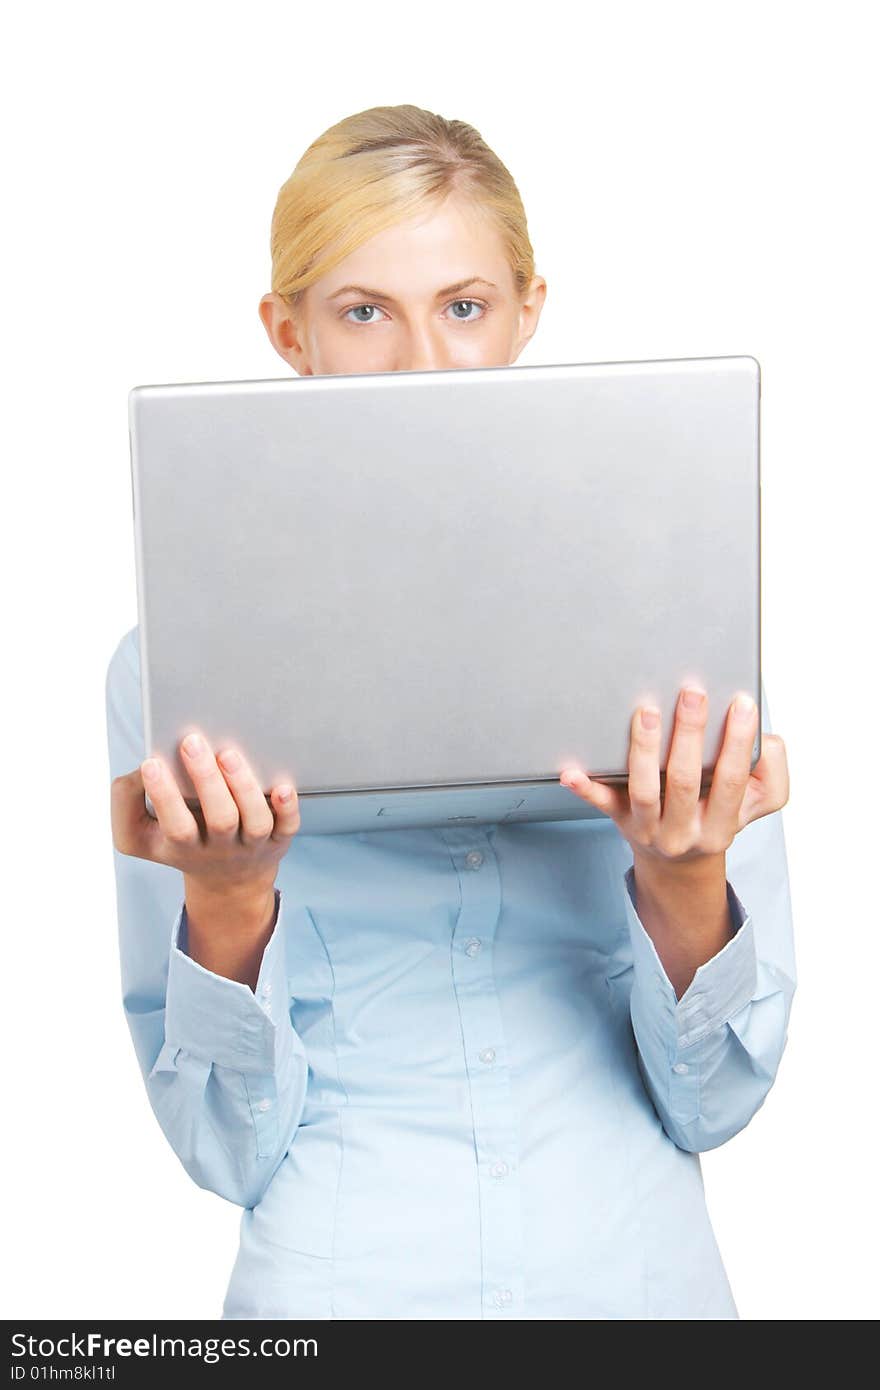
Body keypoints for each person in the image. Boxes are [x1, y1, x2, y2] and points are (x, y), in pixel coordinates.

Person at [106, 103, 795, 1320]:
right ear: (288, 333)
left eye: (464, 307)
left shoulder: (672, 623)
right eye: (363, 310)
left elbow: (715, 1104)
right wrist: (225, 904)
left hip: (633, 1291)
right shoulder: (180, 669)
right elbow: (225, 1152)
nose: (420, 359)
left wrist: (688, 882)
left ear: (528, 313)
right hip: (344, 1295)